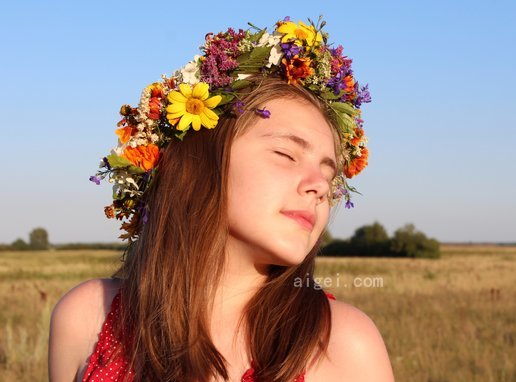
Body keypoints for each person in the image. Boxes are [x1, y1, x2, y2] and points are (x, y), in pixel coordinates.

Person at [49, 17, 394, 381]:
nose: (320, 187)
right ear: (201, 159)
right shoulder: (89, 317)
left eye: (328, 175)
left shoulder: (343, 346)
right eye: (286, 154)